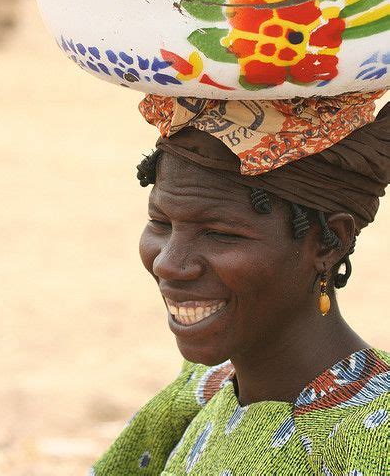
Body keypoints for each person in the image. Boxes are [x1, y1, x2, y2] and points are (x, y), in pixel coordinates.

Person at [92, 93, 390, 476]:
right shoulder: (201, 390)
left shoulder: (374, 438)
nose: (169, 263)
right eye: (161, 223)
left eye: (220, 234)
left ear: (328, 242)